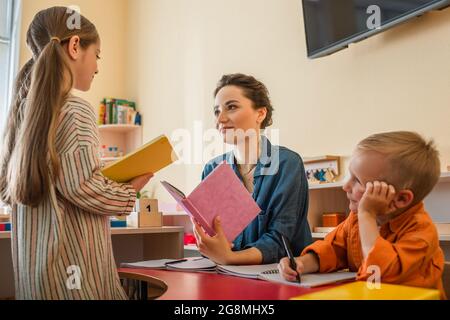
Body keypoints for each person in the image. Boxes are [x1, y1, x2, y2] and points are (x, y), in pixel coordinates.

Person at [0, 7, 152, 299]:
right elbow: (82, 186)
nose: (97, 67)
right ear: (74, 47)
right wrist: (129, 192)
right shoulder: (76, 109)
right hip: (76, 275)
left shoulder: (25, 112)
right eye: (97, 55)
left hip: (37, 279)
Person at [279, 131, 446, 299]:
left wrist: (367, 214)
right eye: (349, 175)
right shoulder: (356, 219)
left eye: (357, 180)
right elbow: (333, 249)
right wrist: (301, 264)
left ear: (401, 198)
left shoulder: (420, 233)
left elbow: (379, 276)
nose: (345, 186)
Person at [192, 73, 312, 265]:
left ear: (260, 114)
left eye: (231, 107)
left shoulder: (287, 164)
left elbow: (282, 241)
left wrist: (231, 258)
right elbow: (214, 236)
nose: (220, 119)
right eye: (216, 111)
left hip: (279, 277)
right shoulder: (212, 169)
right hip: (227, 273)